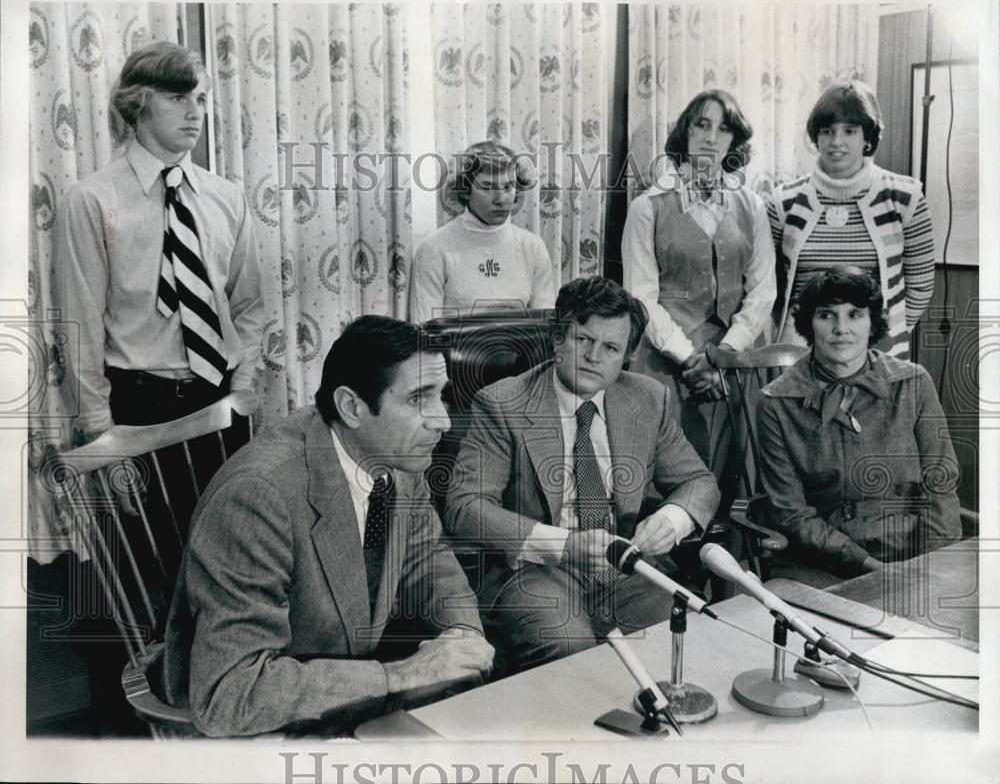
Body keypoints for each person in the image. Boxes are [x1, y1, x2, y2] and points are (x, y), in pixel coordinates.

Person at [162, 316, 494, 737]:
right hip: (261, 724)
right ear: (352, 407)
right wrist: (398, 676)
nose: (443, 421)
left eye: (440, 396)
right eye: (417, 399)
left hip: (344, 684)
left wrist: (461, 634)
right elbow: (230, 692)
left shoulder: (396, 455)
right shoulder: (257, 496)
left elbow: (425, 556)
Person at [443, 277, 720, 673]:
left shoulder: (647, 397)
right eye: (583, 340)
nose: (594, 357)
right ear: (557, 339)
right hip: (535, 572)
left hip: (624, 569)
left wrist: (671, 520)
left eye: (611, 348)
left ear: (626, 356)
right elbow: (464, 507)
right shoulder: (502, 402)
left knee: (679, 645)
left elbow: (699, 483)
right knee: (572, 654)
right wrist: (564, 545)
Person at [53, 41, 263, 442]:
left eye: (200, 99)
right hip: (139, 405)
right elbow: (80, 323)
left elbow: (249, 303)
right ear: (140, 102)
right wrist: (102, 434)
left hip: (223, 398)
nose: (194, 112)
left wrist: (242, 384)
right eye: (178, 97)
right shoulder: (93, 200)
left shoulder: (227, 197)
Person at [757, 267, 960, 586]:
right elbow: (791, 514)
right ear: (809, 322)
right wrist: (869, 567)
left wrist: (933, 564)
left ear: (872, 322)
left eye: (855, 314)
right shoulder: (776, 402)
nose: (841, 329)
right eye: (826, 315)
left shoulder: (914, 383)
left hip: (912, 556)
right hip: (820, 561)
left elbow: (940, 483)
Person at [621, 89, 775, 502]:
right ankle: (666, 562)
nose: (710, 137)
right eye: (701, 125)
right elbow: (640, 297)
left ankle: (734, 563)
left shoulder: (753, 206)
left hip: (738, 357)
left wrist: (721, 356)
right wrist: (691, 359)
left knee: (737, 474)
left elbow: (762, 290)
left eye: (723, 129)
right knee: (672, 474)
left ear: (734, 141)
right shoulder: (647, 207)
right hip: (668, 360)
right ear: (685, 132)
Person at [768, 80, 935, 360]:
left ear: (867, 137)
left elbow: (920, 283)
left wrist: (879, 334)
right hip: (799, 353)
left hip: (877, 351)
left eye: (850, 131)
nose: (836, 142)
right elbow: (770, 285)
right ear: (816, 136)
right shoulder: (783, 201)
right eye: (827, 131)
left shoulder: (905, 197)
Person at [408, 140, 555, 324]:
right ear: (466, 191)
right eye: (486, 187)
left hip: (521, 351)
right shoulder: (434, 248)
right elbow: (425, 330)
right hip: (451, 352)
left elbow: (545, 324)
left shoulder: (533, 246)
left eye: (508, 187)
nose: (501, 199)